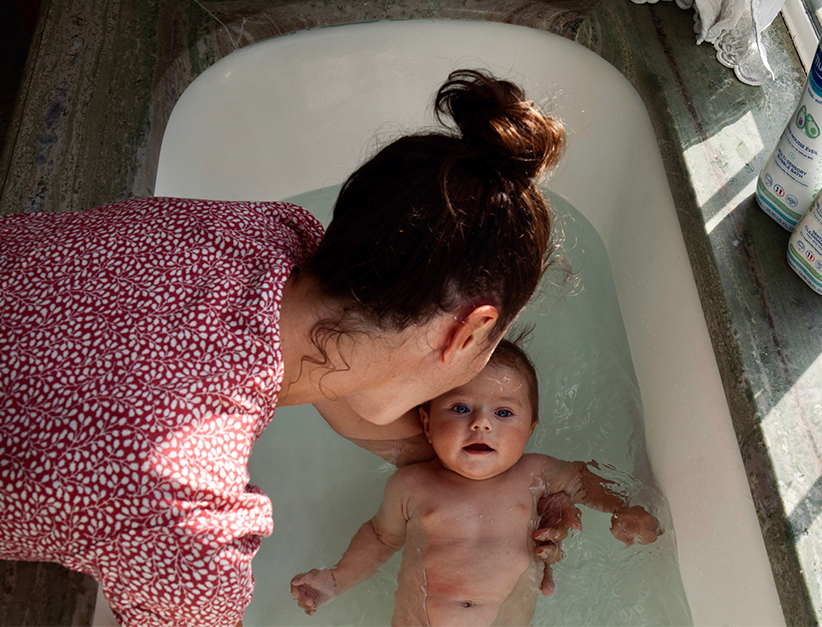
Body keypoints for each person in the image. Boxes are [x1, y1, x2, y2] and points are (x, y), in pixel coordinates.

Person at [0, 70, 576, 626]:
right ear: (469, 331)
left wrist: (495, 500)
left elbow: (333, 375)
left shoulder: (261, 231)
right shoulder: (193, 518)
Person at [290, 339, 661, 625]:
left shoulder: (536, 473)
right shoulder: (412, 484)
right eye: (461, 408)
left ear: (530, 429)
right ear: (426, 423)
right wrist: (337, 580)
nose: (482, 423)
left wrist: (624, 507)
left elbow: (583, 479)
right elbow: (381, 537)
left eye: (503, 412)